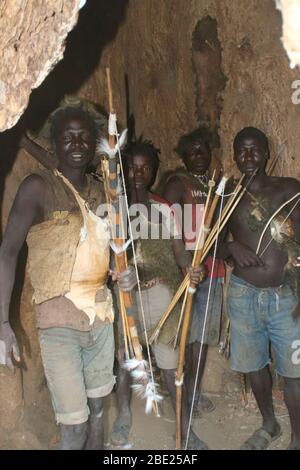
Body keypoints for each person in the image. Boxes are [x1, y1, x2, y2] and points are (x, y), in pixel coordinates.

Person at [0, 100, 137, 450]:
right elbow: (8, 252)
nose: (76, 144)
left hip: (100, 318)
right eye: (68, 137)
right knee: (74, 426)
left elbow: (112, 252)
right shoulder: (38, 187)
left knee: (96, 412)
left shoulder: (103, 191)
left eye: (84, 137)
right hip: (59, 323)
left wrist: (121, 274)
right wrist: (2, 321)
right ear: (56, 143)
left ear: (94, 144)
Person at [110, 138, 208, 450]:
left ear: (153, 172)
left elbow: (178, 250)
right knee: (125, 358)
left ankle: (183, 429)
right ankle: (123, 415)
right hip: (125, 295)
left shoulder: (163, 208)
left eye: (145, 167)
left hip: (159, 292)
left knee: (169, 362)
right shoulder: (112, 206)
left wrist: (190, 268)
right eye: (132, 167)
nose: (138, 172)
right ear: (124, 170)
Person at [219, 126, 300, 450]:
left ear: (267, 153)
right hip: (243, 294)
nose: (248, 156)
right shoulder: (226, 195)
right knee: (254, 365)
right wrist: (231, 248)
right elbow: (209, 245)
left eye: (255, 150)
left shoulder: (288, 189)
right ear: (235, 156)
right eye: (242, 151)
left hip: (284, 297)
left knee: (293, 371)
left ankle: (297, 438)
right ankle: (269, 424)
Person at [163, 129, 224, 417]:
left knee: (200, 338)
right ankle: (182, 394)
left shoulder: (216, 185)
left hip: (212, 271)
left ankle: (195, 393)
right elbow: (168, 225)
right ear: (184, 158)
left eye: (203, 150)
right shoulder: (178, 183)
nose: (199, 156)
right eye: (193, 152)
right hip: (186, 270)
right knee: (184, 336)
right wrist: (182, 263)